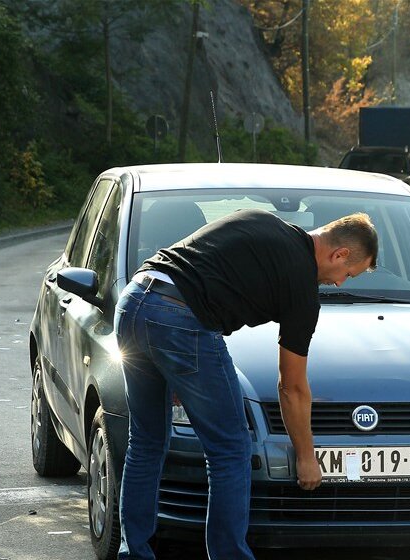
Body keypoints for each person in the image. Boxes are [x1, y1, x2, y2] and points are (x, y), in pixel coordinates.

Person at [114, 209, 378, 559]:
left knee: (145, 441)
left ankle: (133, 553)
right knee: (231, 448)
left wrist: (175, 364)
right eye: (348, 273)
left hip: (135, 301)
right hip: (181, 318)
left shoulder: (263, 221)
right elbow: (292, 387)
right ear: (339, 254)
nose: (341, 282)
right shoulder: (302, 287)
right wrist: (306, 456)